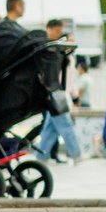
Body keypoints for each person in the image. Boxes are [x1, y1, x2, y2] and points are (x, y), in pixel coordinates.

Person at [34, 18, 81, 163]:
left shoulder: (62, 55)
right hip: (56, 93)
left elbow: (69, 79)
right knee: (65, 124)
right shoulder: (54, 53)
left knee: (51, 128)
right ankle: (76, 153)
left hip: (56, 93)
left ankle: (41, 155)